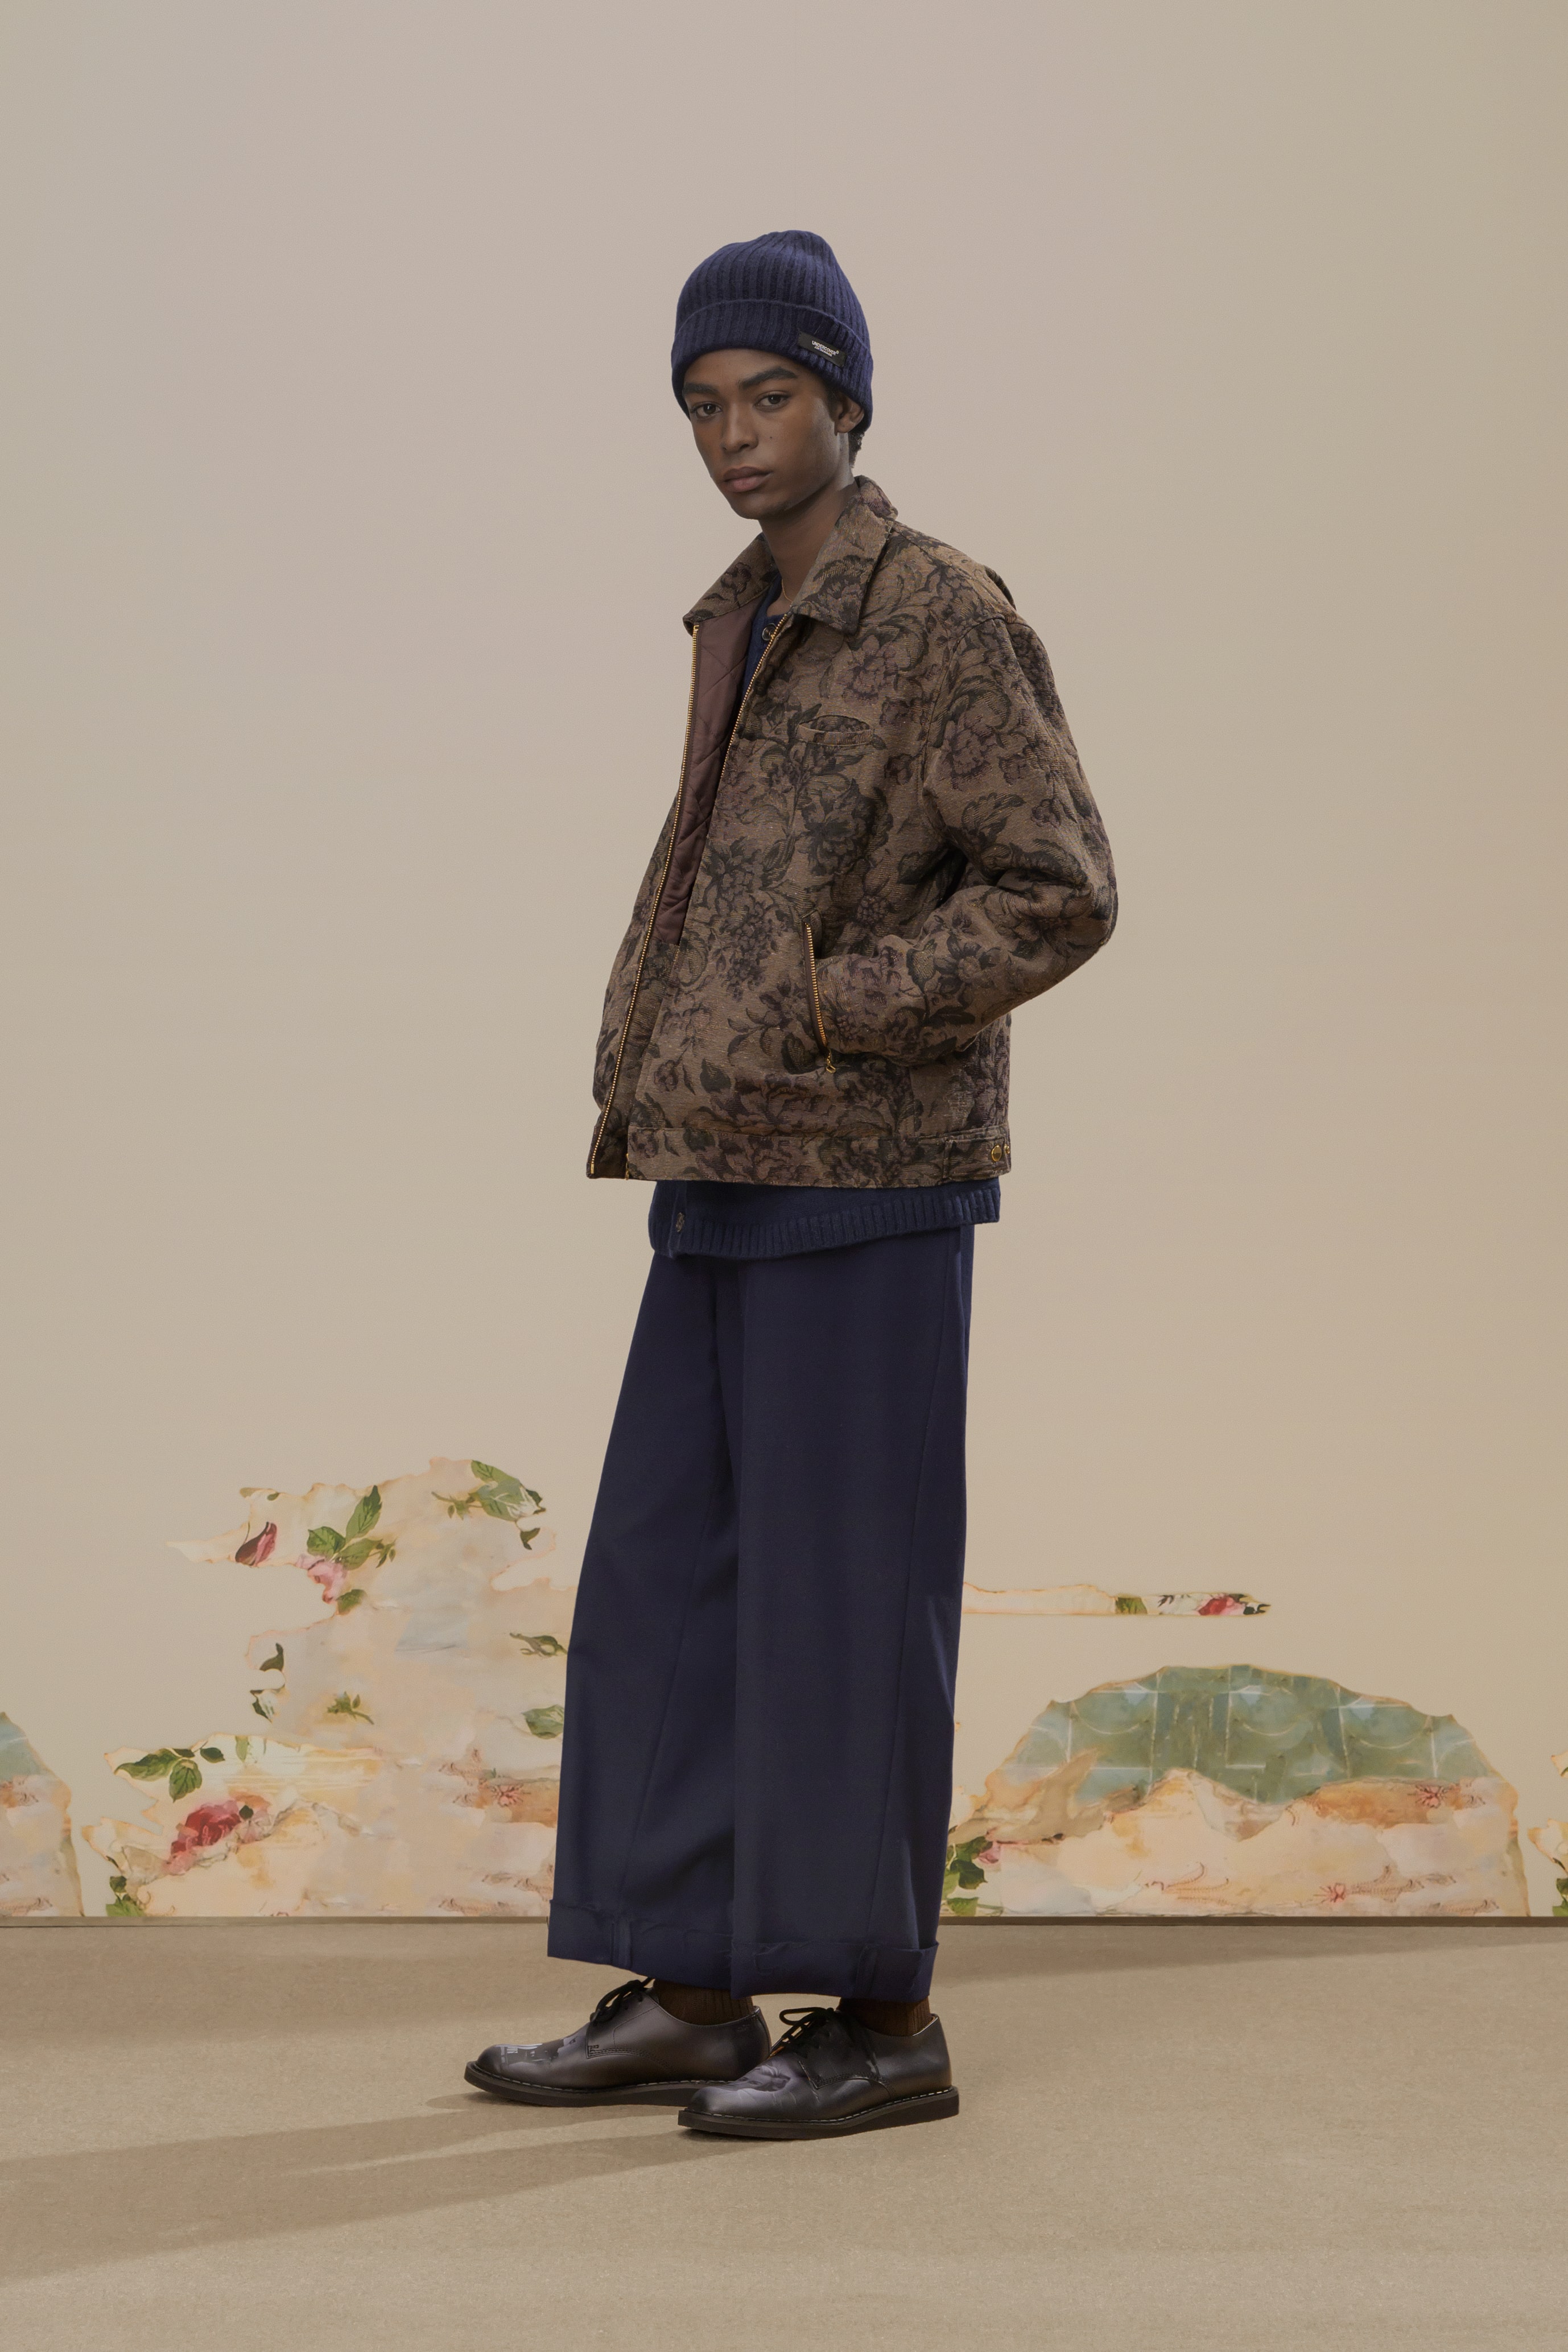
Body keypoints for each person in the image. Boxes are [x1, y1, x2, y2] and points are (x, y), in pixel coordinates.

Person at [465, 230, 1115, 2140]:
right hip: (717, 1166)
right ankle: (690, 1990)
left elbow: (1059, 885)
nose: (733, 434)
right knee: (668, 1592)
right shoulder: (741, 614)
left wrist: (839, 1009)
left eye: (766, 396)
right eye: (701, 405)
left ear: (844, 400)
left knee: (842, 1604)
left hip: (869, 1179)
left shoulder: (938, 611)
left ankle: (881, 2018)